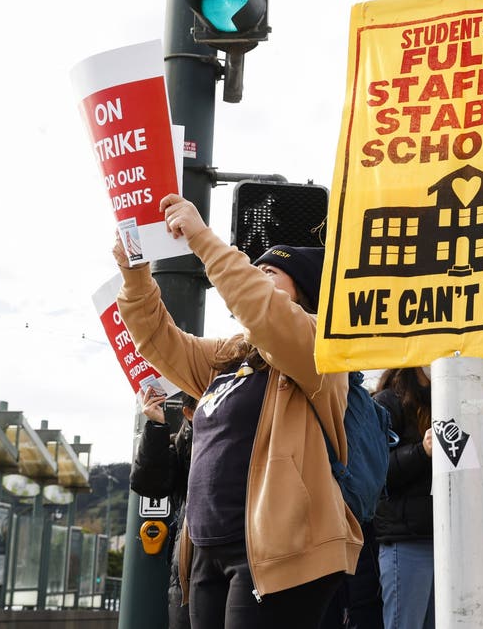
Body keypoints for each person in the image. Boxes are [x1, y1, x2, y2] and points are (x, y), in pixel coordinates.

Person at [114, 193, 361, 629]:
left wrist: (203, 239)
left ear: (302, 293)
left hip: (277, 552)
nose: (252, 280)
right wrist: (135, 277)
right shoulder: (230, 356)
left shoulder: (320, 346)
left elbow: (264, 311)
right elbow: (158, 339)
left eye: (267, 274)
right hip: (209, 550)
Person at [373, 367, 436, 629]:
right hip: (408, 540)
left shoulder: (451, 398)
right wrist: (422, 451)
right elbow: (377, 471)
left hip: (448, 540)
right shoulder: (387, 402)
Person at [130, 387, 196, 629]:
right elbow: (148, 483)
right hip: (188, 571)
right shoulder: (184, 444)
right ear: (189, 413)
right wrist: (157, 426)